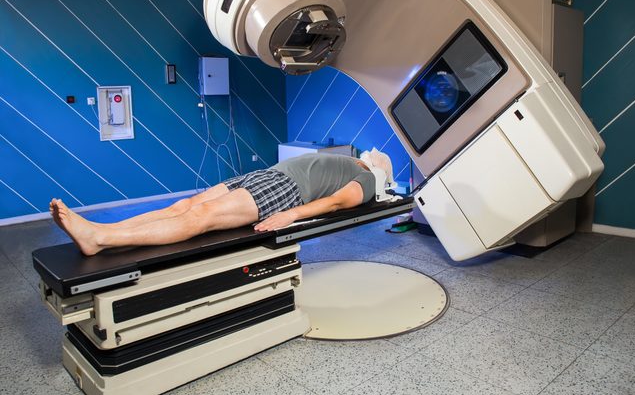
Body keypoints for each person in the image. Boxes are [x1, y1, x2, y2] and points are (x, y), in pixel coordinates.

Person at [50, 149, 394, 256]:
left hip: (285, 190)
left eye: (370, 157)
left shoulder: (366, 179)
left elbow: (335, 202)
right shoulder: (350, 160)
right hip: (264, 175)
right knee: (183, 205)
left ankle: (101, 240)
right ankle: (99, 228)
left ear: (376, 167)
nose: (366, 156)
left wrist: (291, 214)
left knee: (201, 216)